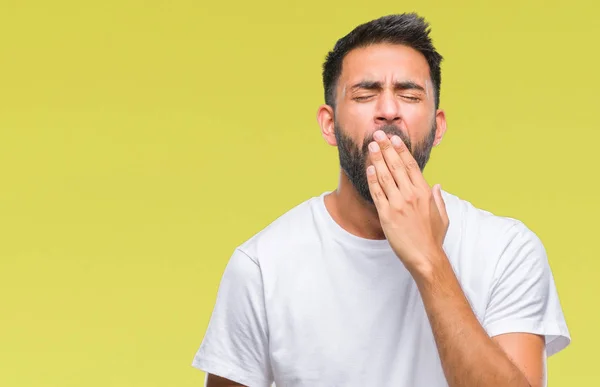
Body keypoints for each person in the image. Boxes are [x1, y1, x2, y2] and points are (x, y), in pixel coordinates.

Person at [191, 13, 570, 387]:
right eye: (364, 94)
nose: (388, 110)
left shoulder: (508, 250)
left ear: (437, 128)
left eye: (408, 94)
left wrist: (429, 261)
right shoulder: (261, 266)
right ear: (329, 124)